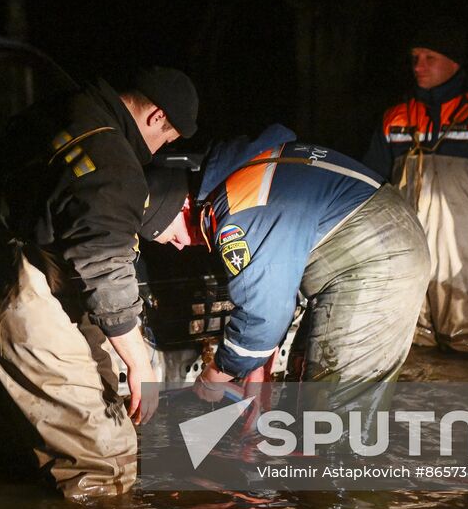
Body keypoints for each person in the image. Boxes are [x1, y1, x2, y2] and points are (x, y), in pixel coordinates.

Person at [0, 66, 198, 500]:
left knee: (17, 463)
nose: (161, 150)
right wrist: (141, 364)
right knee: (105, 465)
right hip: (33, 307)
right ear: (157, 117)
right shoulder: (112, 161)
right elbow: (105, 269)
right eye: (170, 137)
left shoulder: (61, 109)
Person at [142, 124, 429, 394]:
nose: (179, 247)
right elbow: (278, 286)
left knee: (332, 406)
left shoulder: (236, 212)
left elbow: (263, 316)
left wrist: (214, 376)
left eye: (170, 236)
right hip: (376, 238)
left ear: (183, 207)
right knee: (303, 374)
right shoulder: (246, 171)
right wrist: (258, 369)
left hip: (376, 254)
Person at [362, 16, 468, 352]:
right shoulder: (396, 116)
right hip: (408, 256)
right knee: (412, 346)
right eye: (415, 59)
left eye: (429, 58)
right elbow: (370, 185)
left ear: (454, 62)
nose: (418, 67)